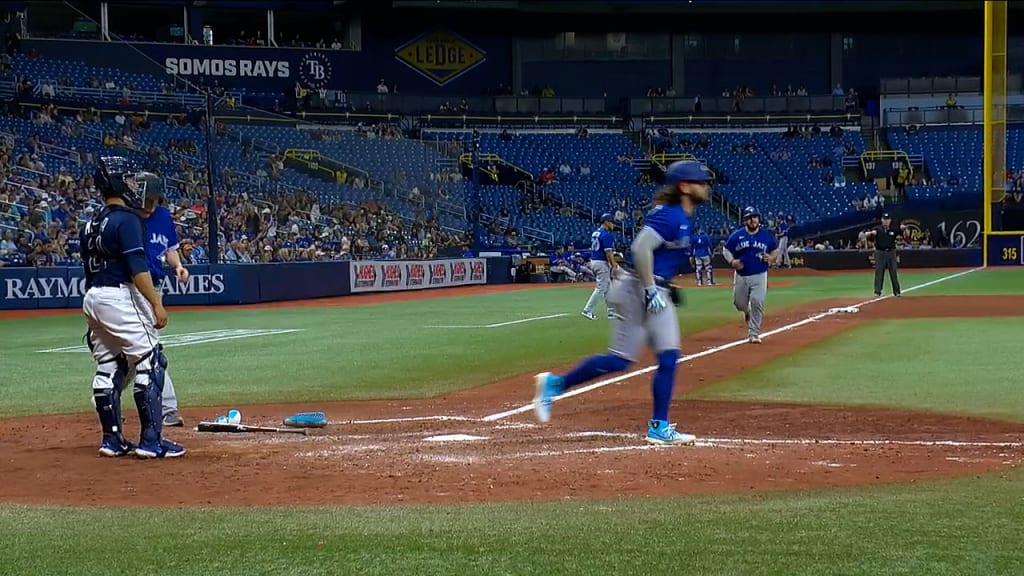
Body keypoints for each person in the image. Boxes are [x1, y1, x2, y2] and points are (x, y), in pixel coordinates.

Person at [533, 160, 712, 445]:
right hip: (636, 290)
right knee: (621, 360)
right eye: (700, 182)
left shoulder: (681, 217)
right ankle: (555, 384)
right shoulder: (670, 216)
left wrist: (666, 285)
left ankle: (658, 426)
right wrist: (652, 288)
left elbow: (658, 256)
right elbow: (640, 247)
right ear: (684, 187)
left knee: (668, 357)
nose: (706, 186)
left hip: (652, 291)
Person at [80, 156, 185, 459]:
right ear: (115, 183)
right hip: (119, 295)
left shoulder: (91, 222)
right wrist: (155, 303)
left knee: (109, 366)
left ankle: (111, 440)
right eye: (127, 180)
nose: (133, 185)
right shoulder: (128, 220)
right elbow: (138, 268)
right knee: (151, 361)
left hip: (93, 297)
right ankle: (152, 442)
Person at [140, 192, 188, 427]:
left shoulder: (163, 216)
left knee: (148, 347)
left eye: (155, 200)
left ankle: (168, 407)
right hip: (128, 286)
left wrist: (178, 266)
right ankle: (106, 400)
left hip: (154, 286)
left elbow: (169, 248)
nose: (151, 205)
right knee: (142, 348)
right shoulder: (128, 216)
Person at [723, 207, 779, 344]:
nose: (752, 220)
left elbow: (776, 250)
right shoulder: (737, 235)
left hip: (760, 274)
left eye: (754, 217)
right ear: (745, 220)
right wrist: (732, 261)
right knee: (739, 303)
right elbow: (726, 250)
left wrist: (771, 257)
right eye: (749, 217)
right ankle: (747, 311)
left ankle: (754, 333)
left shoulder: (766, 235)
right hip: (741, 275)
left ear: (758, 219)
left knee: (757, 301)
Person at [581, 213, 617, 319]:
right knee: (601, 288)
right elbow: (608, 252)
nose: (613, 224)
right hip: (601, 262)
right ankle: (587, 310)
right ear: (606, 222)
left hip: (594, 261)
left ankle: (611, 311)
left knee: (608, 287)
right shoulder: (606, 235)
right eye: (611, 222)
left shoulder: (595, 232)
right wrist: (613, 264)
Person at [865, 212, 907, 297]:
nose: (886, 221)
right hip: (880, 252)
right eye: (884, 219)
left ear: (890, 220)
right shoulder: (878, 228)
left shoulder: (893, 229)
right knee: (879, 272)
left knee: (893, 272)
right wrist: (870, 233)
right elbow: (872, 233)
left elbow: (901, 230)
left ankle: (897, 292)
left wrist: (903, 228)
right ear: (882, 220)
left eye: (887, 219)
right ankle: (877, 292)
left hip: (891, 252)